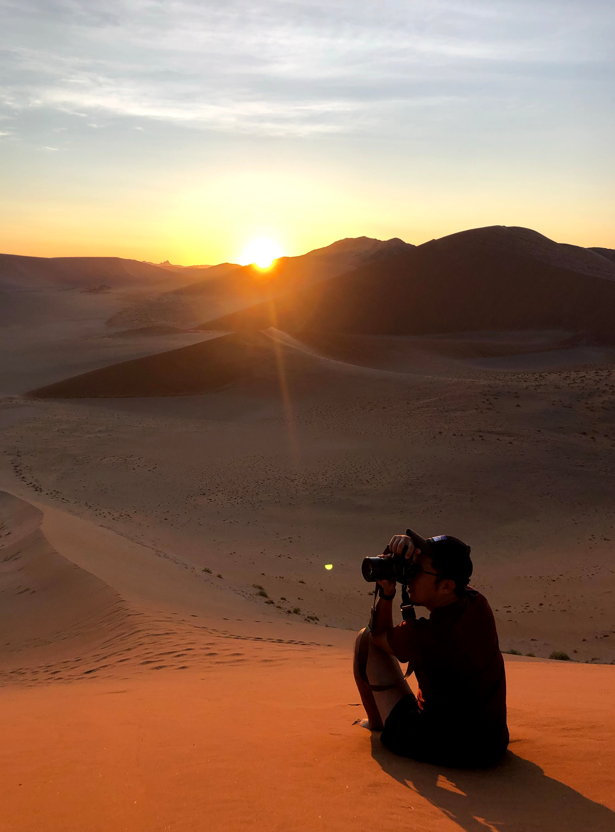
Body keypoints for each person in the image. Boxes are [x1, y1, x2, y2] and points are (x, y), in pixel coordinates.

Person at [353, 529, 509, 767]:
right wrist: (408, 550)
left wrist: (387, 593)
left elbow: (378, 637)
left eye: (415, 571)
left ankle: (377, 724)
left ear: (446, 586)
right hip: (491, 744)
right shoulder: (478, 604)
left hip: (439, 745)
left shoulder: (426, 635)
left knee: (364, 641)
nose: (409, 576)